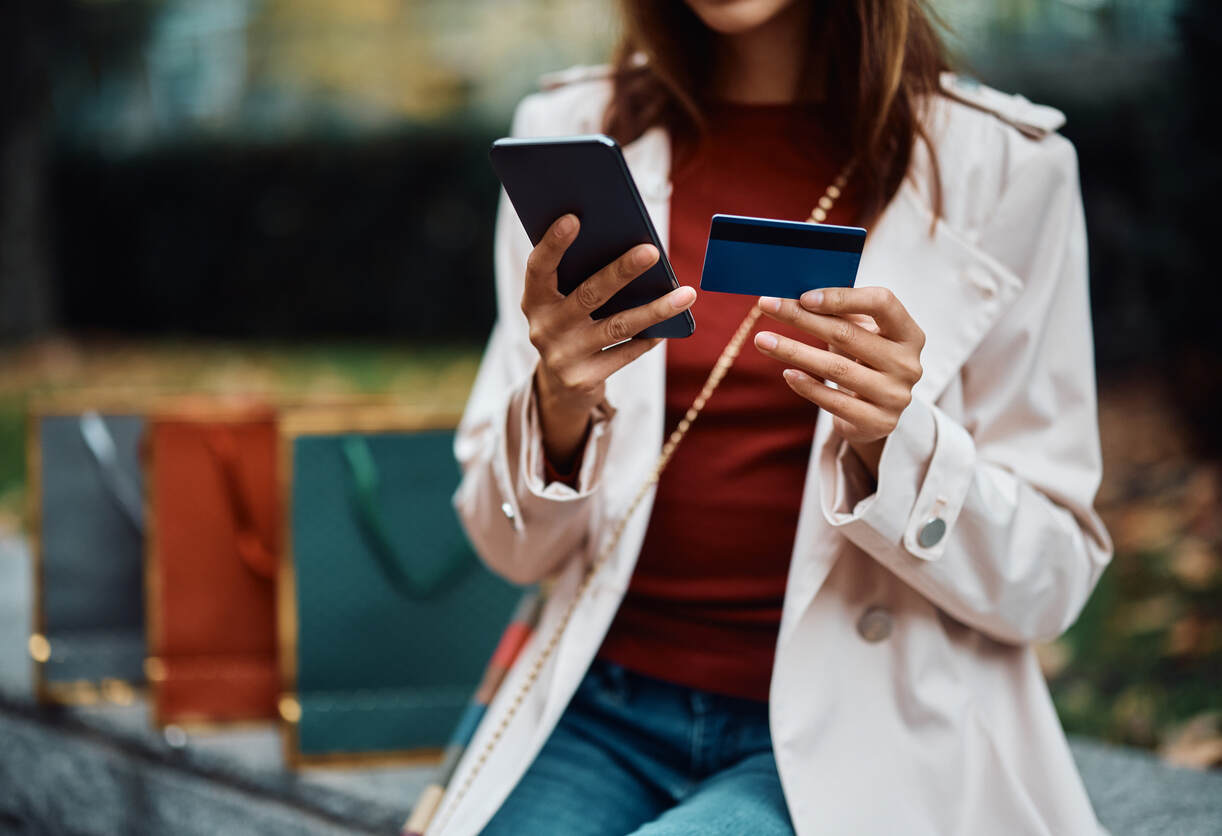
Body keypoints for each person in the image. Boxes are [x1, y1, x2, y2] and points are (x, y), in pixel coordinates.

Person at [437, 0, 1113, 833]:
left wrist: (895, 444)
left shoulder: (1006, 166)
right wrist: (557, 408)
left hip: (859, 732)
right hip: (597, 707)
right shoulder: (569, 131)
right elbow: (504, 545)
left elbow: (1051, 584)